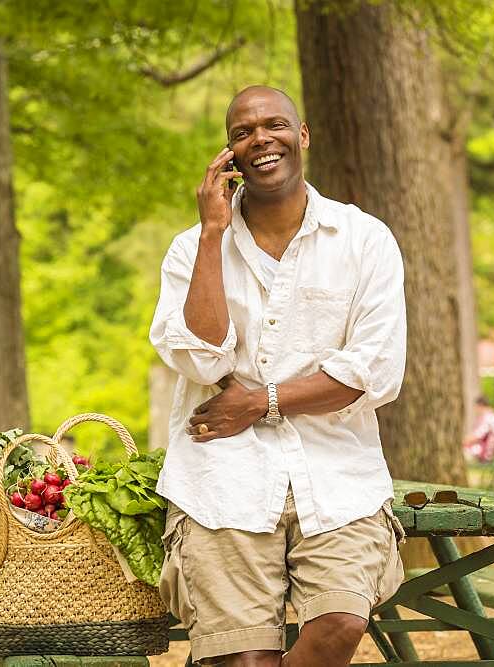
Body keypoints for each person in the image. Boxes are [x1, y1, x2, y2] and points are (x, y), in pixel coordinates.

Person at [149, 85, 407, 667]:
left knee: (340, 621)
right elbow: (203, 358)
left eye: (275, 125)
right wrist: (213, 233)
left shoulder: (364, 240)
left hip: (339, 478)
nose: (261, 139)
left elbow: (374, 370)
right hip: (222, 481)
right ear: (229, 156)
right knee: (242, 660)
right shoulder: (190, 249)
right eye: (243, 133)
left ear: (303, 134)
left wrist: (261, 400)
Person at [462, 396, 494, 463]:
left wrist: (462, 442)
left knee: (455, 452)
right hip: (489, 452)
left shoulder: (488, 418)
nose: (475, 410)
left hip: (483, 454)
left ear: (480, 406)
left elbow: (477, 437)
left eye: (475, 407)